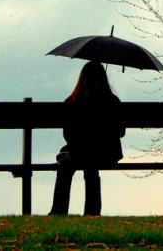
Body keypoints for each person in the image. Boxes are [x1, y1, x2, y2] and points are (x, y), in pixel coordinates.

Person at [49, 61, 125, 216]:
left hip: (79, 153)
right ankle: (92, 212)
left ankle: (58, 211)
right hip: (107, 153)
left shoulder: (72, 102)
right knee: (90, 166)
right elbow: (121, 132)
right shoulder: (112, 102)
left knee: (66, 168)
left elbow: (67, 135)